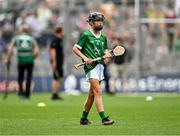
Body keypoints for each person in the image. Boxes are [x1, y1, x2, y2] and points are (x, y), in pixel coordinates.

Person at [72, 12, 114, 125]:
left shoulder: (104, 37)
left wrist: (107, 55)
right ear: (91, 23)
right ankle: (104, 118)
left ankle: (83, 119)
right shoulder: (86, 35)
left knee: (92, 94)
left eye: (101, 21)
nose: (100, 23)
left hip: (100, 66)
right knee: (98, 91)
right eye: (97, 21)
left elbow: (104, 52)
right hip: (90, 67)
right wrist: (85, 58)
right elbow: (75, 49)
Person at [6, 24, 39, 99]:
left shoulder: (16, 38)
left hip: (21, 60)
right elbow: (37, 51)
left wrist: (8, 59)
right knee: (29, 77)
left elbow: (10, 49)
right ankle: (27, 94)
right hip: (30, 60)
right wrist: (32, 57)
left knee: (20, 77)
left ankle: (21, 93)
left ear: (21, 30)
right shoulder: (31, 39)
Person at [50, 26, 64, 100]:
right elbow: (53, 51)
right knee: (56, 78)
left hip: (59, 62)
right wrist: (54, 62)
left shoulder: (59, 40)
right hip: (57, 62)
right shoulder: (56, 39)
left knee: (59, 77)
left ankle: (56, 93)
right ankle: (54, 94)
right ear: (60, 32)